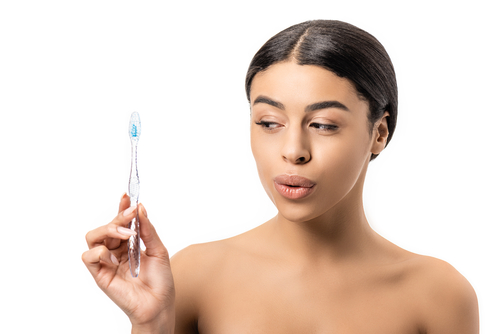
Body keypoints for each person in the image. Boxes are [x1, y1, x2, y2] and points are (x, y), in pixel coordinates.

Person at [82, 20, 479, 333]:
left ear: (379, 133)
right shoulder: (194, 277)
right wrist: (149, 324)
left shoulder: (439, 295)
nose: (293, 150)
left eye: (323, 124)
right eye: (269, 122)